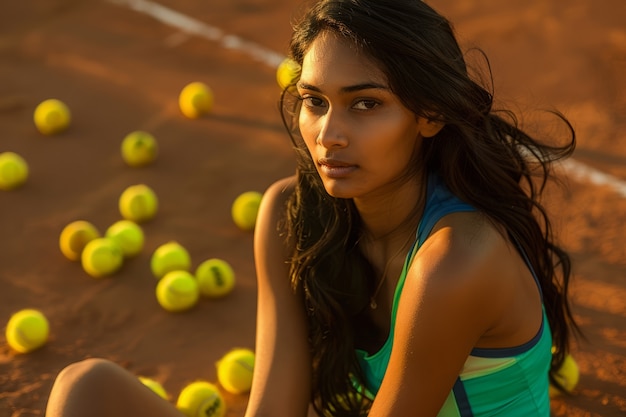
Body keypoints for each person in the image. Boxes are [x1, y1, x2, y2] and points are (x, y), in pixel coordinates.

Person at [45, 0, 579, 416]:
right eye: (314, 101)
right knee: (85, 388)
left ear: (430, 114)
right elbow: (275, 409)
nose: (329, 134)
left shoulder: (455, 260)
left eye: (365, 104)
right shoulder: (291, 215)